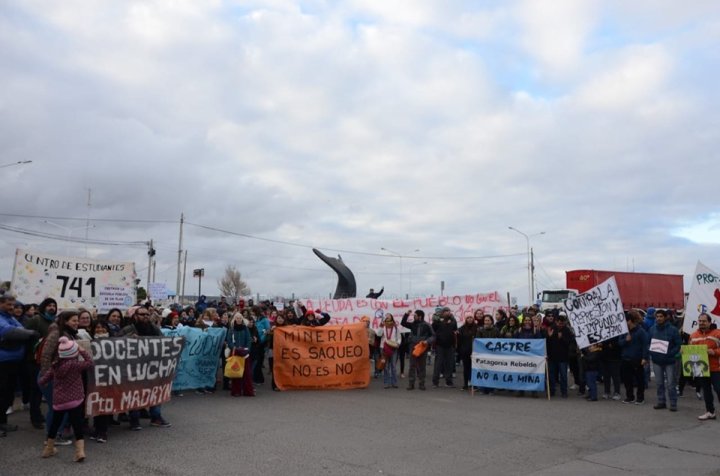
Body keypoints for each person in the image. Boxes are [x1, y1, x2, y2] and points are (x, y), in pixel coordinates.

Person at [39, 336, 94, 462]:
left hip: (59, 401)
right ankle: (80, 451)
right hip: (75, 400)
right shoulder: (76, 365)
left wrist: (43, 382)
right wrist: (81, 350)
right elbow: (90, 362)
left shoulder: (55, 366)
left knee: (55, 424)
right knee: (77, 425)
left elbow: (43, 380)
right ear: (73, 352)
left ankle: (49, 448)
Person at [118, 308, 172, 428]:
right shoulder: (128, 329)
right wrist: (128, 338)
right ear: (135, 316)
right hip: (133, 368)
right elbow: (116, 344)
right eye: (142, 314)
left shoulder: (154, 329)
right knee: (135, 393)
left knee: (156, 392)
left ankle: (156, 417)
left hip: (152, 367)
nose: (146, 316)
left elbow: (164, 343)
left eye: (148, 314)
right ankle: (134, 419)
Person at [1, 293, 40, 437]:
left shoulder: (9, 317)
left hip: (14, 361)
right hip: (3, 361)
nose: (12, 307)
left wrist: (26, 333)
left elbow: (20, 328)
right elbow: (9, 331)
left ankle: (2, 422)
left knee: (7, 394)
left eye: (13, 305)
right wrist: (30, 333)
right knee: (1, 392)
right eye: (9, 304)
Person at [648, 309, 681, 411]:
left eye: (661, 316)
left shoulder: (673, 330)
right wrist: (651, 352)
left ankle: (673, 403)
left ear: (665, 317)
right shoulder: (652, 329)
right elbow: (648, 343)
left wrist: (670, 353)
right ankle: (661, 401)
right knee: (659, 383)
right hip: (657, 361)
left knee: (671, 384)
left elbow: (678, 344)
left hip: (669, 361)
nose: (659, 318)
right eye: (657, 317)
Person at [690, 313, 720, 420]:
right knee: (706, 391)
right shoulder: (693, 335)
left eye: (704, 321)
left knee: (718, 390)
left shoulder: (717, 333)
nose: (702, 323)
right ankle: (710, 412)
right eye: (700, 321)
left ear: (710, 322)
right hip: (701, 368)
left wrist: (715, 352)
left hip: (716, 368)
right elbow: (690, 351)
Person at [618, 311, 649, 405]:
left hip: (637, 359)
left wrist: (644, 358)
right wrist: (625, 340)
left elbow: (645, 345)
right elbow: (619, 343)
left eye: (626, 320)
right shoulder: (624, 331)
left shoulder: (641, 331)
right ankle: (630, 396)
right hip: (625, 359)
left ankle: (640, 398)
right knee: (627, 380)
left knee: (639, 380)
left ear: (630, 321)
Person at [401, 310, 435, 390]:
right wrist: (406, 314)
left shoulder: (427, 325)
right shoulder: (413, 324)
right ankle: (411, 384)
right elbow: (403, 323)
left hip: (422, 347)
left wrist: (427, 341)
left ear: (420, 316)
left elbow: (433, 336)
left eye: (415, 315)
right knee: (412, 366)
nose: (413, 317)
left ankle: (421, 384)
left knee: (422, 366)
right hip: (413, 347)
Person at [225, 313, 254, 397]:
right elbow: (229, 340)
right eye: (237, 318)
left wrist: (247, 349)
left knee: (246, 373)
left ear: (242, 319)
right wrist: (234, 348)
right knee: (236, 372)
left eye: (240, 318)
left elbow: (249, 340)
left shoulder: (245, 329)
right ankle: (236, 391)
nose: (238, 319)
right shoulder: (231, 329)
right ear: (234, 319)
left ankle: (247, 391)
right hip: (235, 353)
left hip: (245, 354)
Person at [546, 316, 572, 398]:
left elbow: (569, 343)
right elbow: (547, 343)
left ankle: (564, 392)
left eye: (562, 323)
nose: (560, 325)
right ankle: (552, 391)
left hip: (563, 357)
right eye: (559, 323)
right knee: (551, 375)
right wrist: (549, 337)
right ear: (556, 322)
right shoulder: (552, 328)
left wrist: (562, 338)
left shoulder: (566, 330)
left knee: (563, 375)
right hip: (552, 357)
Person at [431, 307, 457, 388]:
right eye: (446, 311)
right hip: (439, 345)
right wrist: (437, 319)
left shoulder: (453, 321)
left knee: (449, 364)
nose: (447, 312)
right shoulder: (437, 321)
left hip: (450, 346)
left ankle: (449, 382)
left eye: (449, 311)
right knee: (438, 364)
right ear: (442, 313)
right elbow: (433, 328)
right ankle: (435, 382)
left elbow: (455, 329)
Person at [377, 314, 400, 389]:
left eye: (388, 316)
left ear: (392, 318)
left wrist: (398, 343)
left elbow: (399, 337)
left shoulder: (395, 327)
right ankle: (386, 382)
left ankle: (394, 382)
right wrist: (381, 325)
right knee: (385, 366)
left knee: (393, 366)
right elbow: (378, 334)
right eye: (386, 316)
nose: (387, 317)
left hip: (393, 348)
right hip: (384, 348)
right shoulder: (383, 326)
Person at [457, 314, 478, 390]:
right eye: (468, 318)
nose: (469, 319)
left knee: (473, 368)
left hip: (474, 351)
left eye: (471, 318)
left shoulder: (476, 328)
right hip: (465, 351)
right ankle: (465, 384)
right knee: (466, 368)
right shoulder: (461, 329)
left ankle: (474, 384)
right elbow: (459, 340)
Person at [254, 309, 271, 384]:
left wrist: (262, 339)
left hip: (261, 343)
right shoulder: (255, 320)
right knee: (256, 361)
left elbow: (268, 330)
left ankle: (259, 379)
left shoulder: (264, 320)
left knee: (259, 361)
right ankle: (256, 378)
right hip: (255, 342)